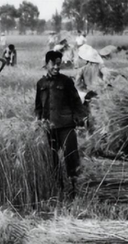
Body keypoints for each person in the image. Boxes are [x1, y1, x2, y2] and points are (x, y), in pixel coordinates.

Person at [35, 50, 87, 195]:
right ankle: (58, 189)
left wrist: (80, 119)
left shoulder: (66, 81)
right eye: (54, 64)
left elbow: (76, 103)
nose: (57, 67)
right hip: (49, 128)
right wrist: (38, 122)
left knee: (71, 158)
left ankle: (75, 189)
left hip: (66, 127)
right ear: (47, 64)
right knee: (52, 160)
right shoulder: (41, 84)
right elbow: (38, 106)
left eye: (59, 64)